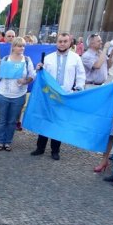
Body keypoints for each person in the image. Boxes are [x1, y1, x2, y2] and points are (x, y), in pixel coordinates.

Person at [30, 32, 85, 160]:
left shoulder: (76, 58)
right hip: (49, 95)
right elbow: (39, 76)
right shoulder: (48, 58)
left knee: (59, 122)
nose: (62, 43)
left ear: (70, 42)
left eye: (65, 41)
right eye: (60, 41)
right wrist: (38, 69)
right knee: (45, 120)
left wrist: (78, 88)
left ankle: (55, 150)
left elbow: (81, 75)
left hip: (65, 95)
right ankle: (40, 148)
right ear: (57, 42)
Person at [0, 37, 35, 151]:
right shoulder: (5, 59)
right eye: (20, 46)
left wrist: (25, 81)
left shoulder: (26, 60)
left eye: (23, 46)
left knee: (12, 121)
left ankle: (8, 142)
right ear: (13, 47)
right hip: (3, 95)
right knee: (1, 120)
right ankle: (0, 141)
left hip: (18, 96)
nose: (22, 48)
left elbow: (32, 75)